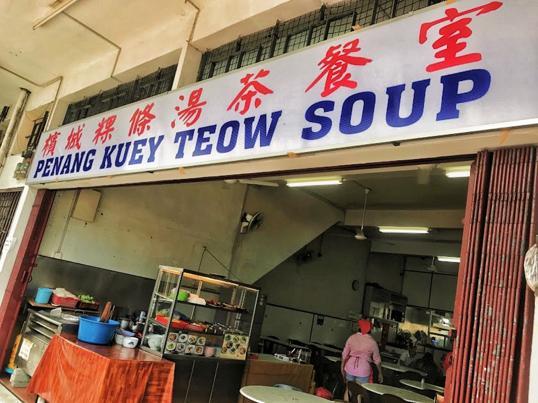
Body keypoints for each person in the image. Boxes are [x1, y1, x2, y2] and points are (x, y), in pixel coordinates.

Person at [341, 319, 383, 387]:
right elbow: (377, 360)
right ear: (370, 330)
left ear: (359, 328)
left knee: (348, 390)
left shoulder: (352, 338)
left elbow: (344, 354)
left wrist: (342, 367)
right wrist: (380, 373)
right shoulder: (372, 342)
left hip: (349, 367)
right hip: (363, 370)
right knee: (359, 392)